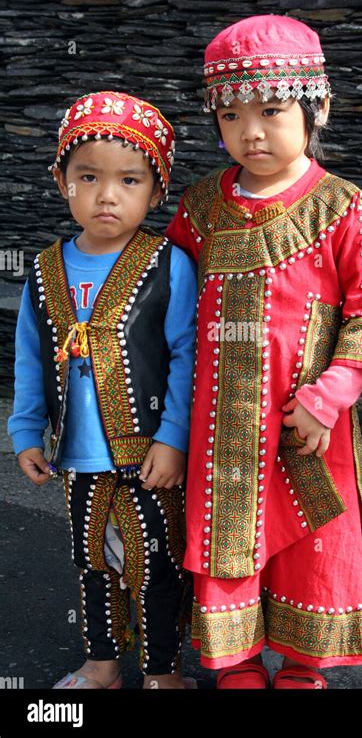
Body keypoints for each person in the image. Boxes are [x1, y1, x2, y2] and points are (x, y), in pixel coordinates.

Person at [164, 15, 362, 689]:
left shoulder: (342, 206)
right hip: (221, 427)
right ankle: (235, 665)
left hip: (307, 428)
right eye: (231, 115)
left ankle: (302, 668)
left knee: (315, 549)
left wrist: (331, 395)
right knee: (224, 541)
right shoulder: (203, 205)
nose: (251, 131)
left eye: (271, 110)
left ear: (317, 105)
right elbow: (172, 305)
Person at [7, 91, 198, 690]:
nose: (107, 195)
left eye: (129, 180)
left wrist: (173, 440)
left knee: (155, 564)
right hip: (77, 455)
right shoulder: (44, 268)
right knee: (93, 563)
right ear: (62, 181)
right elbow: (31, 356)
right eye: (87, 176)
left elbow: (187, 358)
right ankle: (102, 665)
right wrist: (24, 431)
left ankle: (164, 672)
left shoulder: (168, 264)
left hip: (148, 453)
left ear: (156, 191)